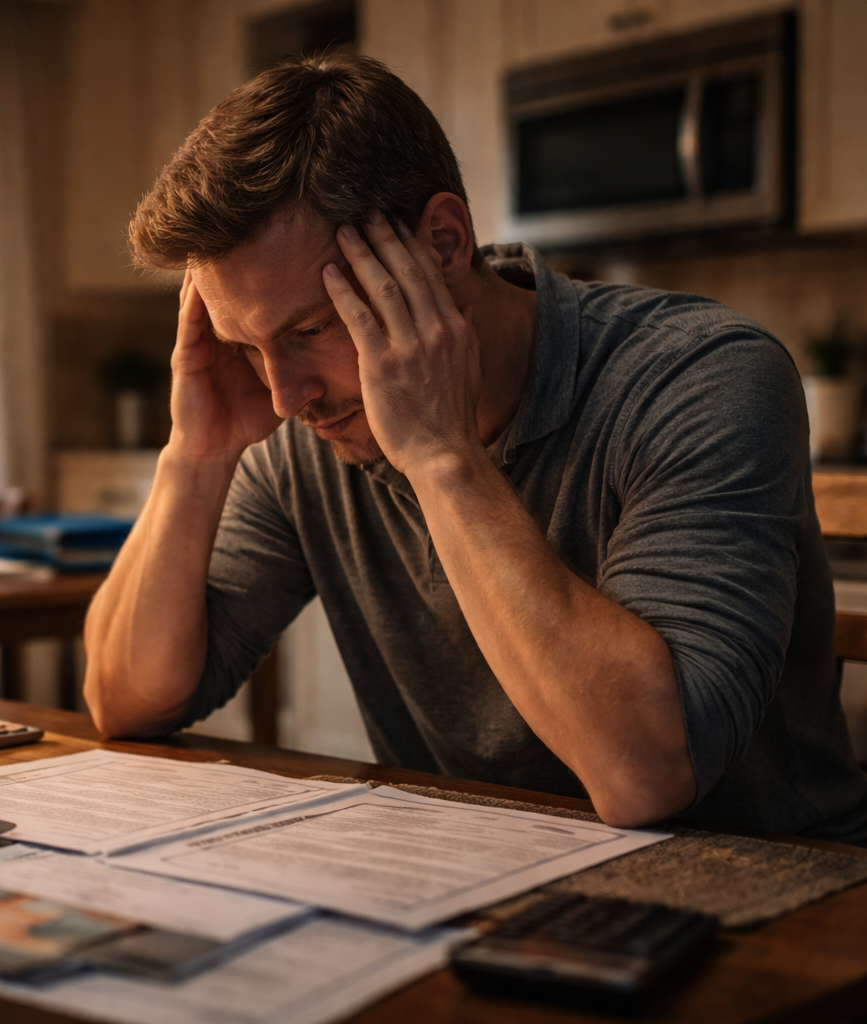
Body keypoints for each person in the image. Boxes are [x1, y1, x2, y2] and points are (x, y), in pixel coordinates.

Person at [83, 54, 867, 845]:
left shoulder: (701, 376)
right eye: (245, 345)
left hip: (775, 892)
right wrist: (198, 452)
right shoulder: (308, 432)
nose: (286, 396)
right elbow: (125, 699)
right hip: (478, 880)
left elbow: (646, 774)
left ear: (446, 243)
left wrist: (441, 456)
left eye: (310, 330)